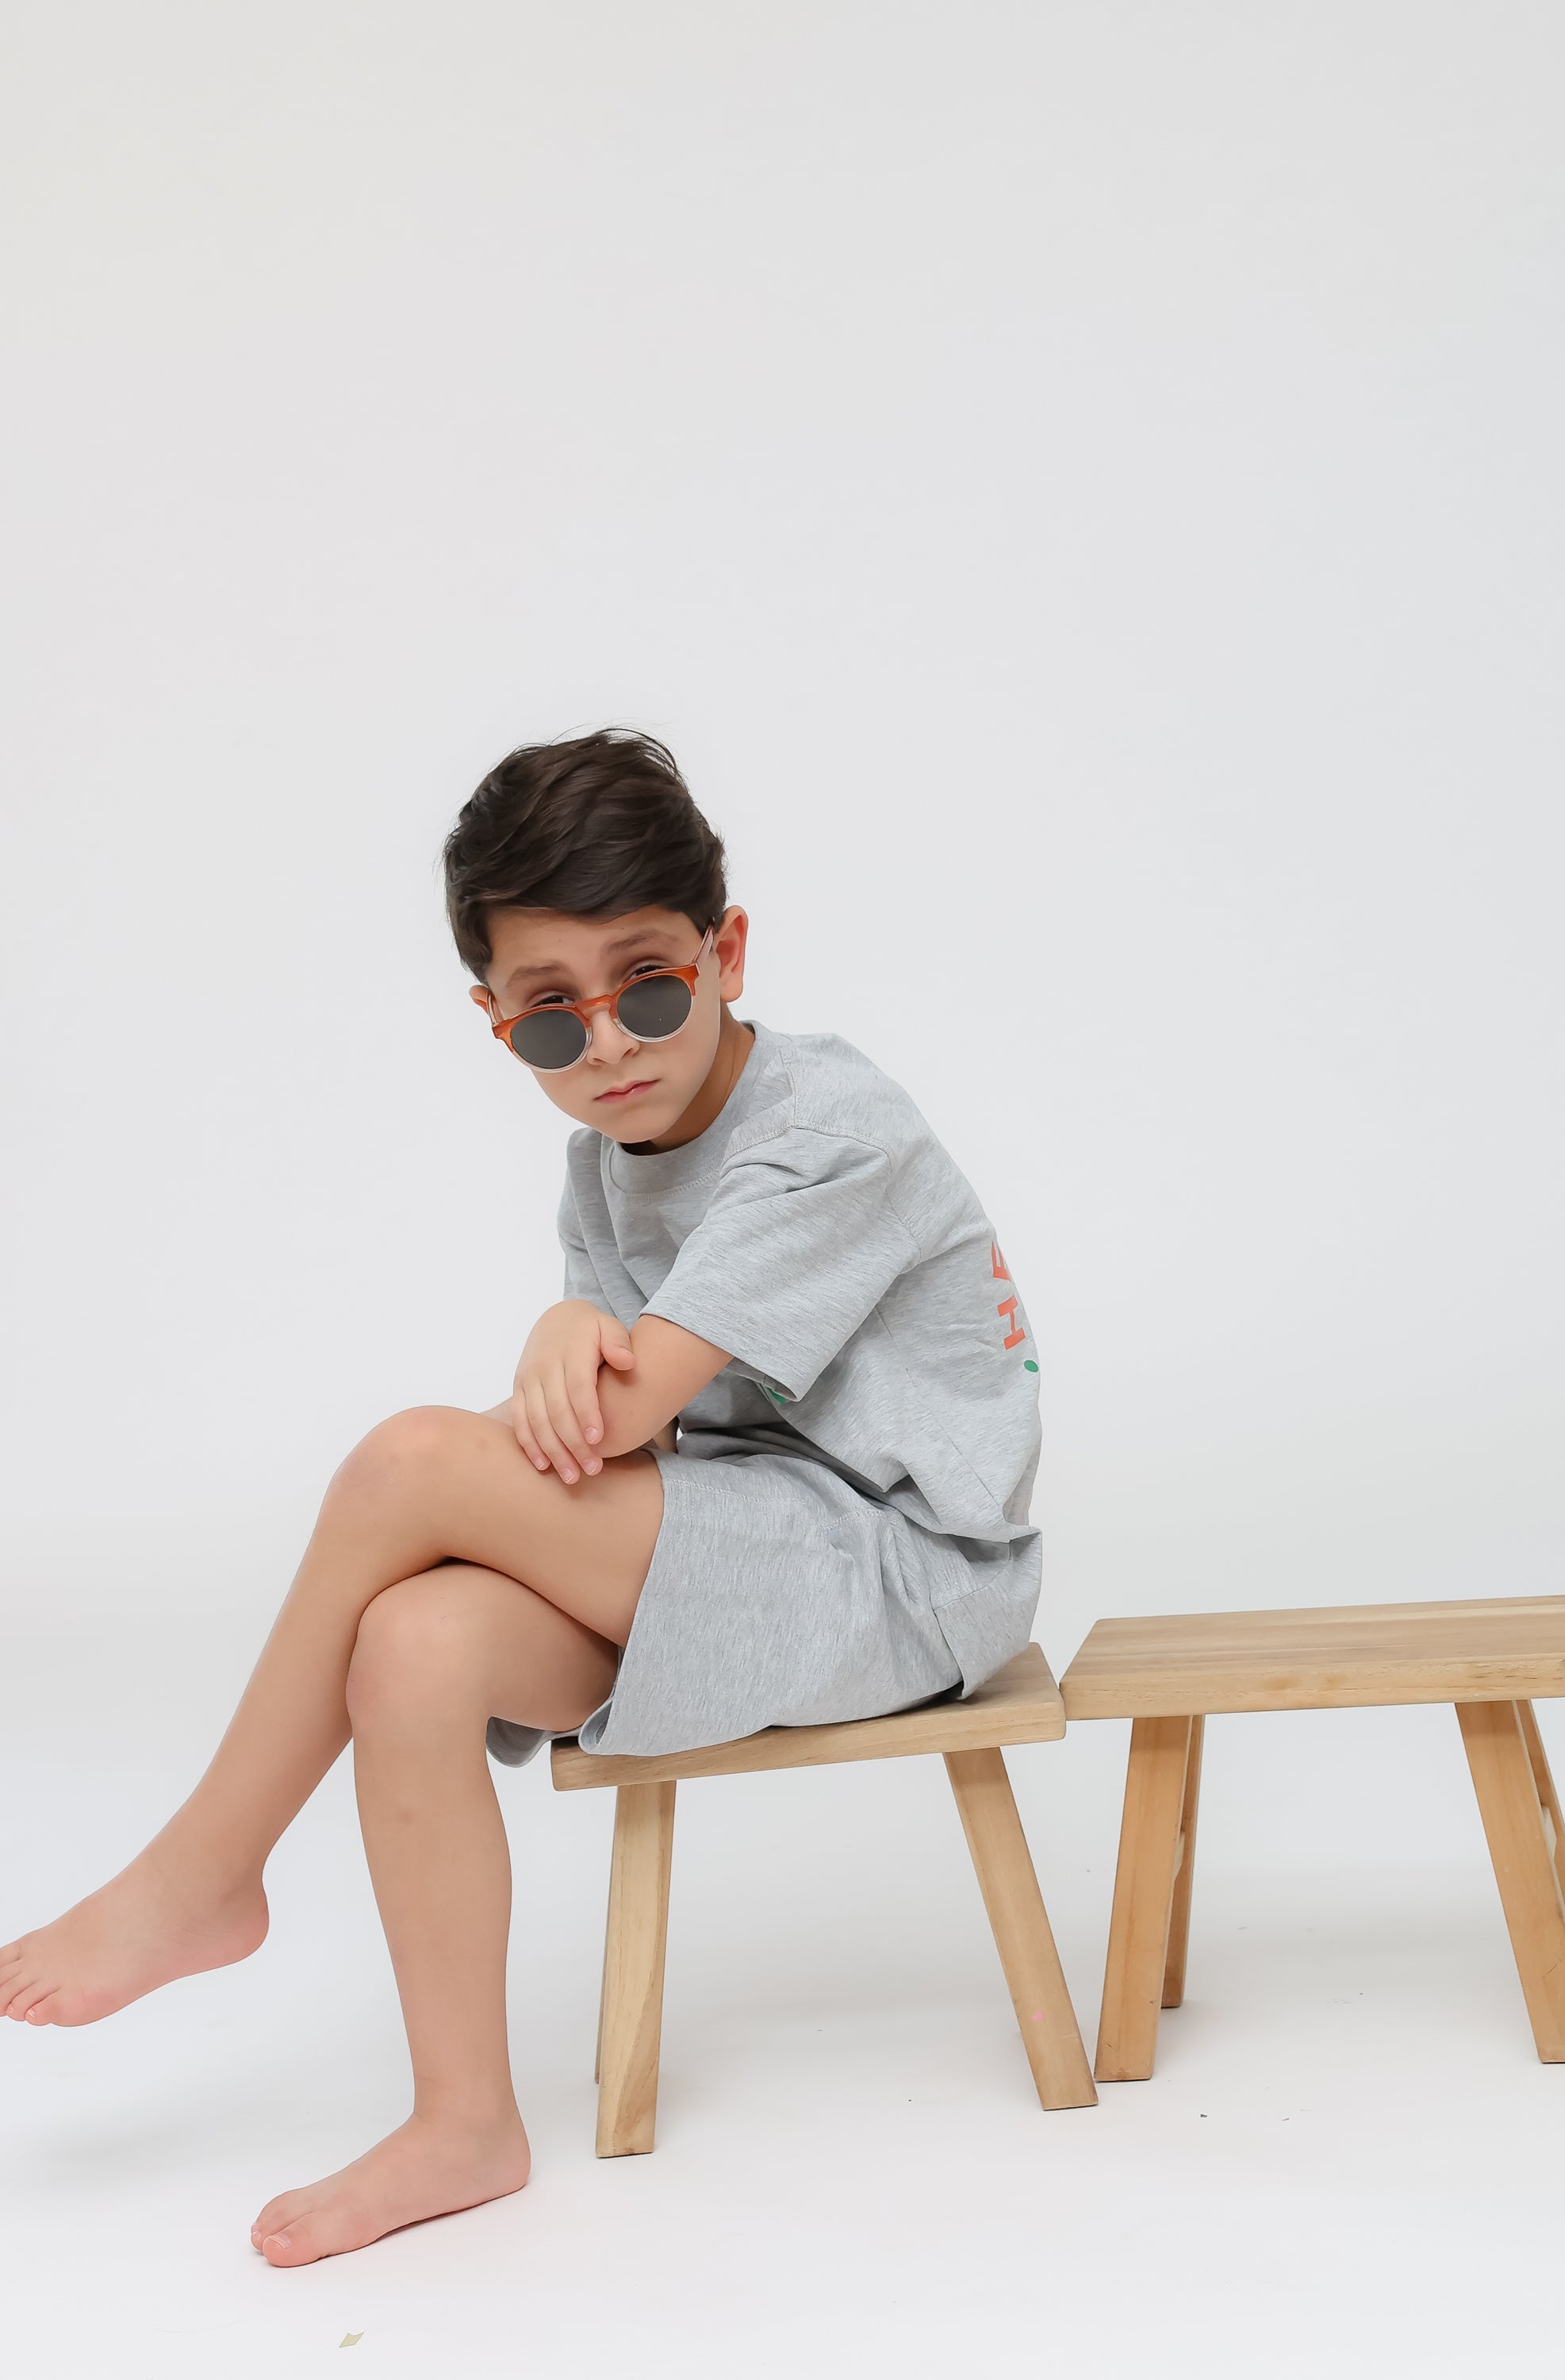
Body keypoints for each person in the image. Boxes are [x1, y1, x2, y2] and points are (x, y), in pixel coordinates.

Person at [0, 729, 1043, 2266]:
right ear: (496, 1023)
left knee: (407, 1463)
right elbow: (586, 1451)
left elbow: (606, 1414)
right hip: (722, 1547)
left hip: (905, 1572)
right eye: (554, 1016)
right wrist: (564, 1339)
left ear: (725, 954)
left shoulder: (830, 1130)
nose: (609, 1045)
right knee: (412, 1643)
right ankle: (463, 2121)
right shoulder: (606, 1160)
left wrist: (564, 1344)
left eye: (650, 987)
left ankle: (206, 1872)